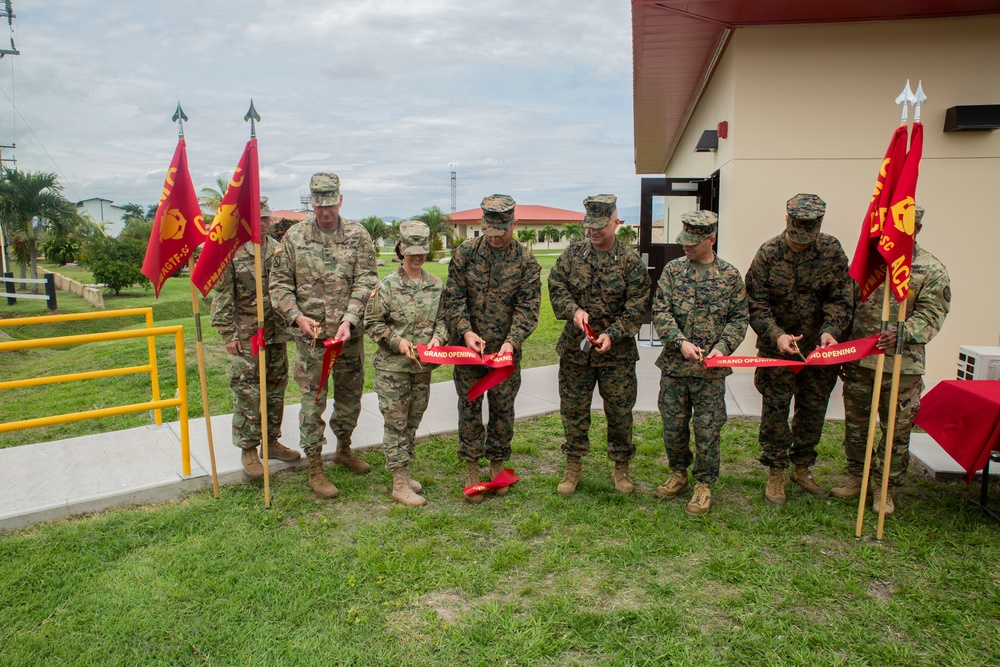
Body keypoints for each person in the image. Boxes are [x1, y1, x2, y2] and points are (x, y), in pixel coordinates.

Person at [833, 206, 950, 515]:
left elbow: (932, 314)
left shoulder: (930, 269)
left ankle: (885, 488)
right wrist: (841, 347)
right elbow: (848, 307)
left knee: (895, 430)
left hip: (902, 365)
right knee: (857, 426)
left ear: (917, 230)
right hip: (861, 363)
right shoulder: (870, 265)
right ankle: (857, 477)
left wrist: (902, 333)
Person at [269, 173, 378, 499]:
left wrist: (349, 319)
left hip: (348, 337)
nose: (325, 211)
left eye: (330, 205)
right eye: (319, 205)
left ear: (340, 200)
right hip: (311, 340)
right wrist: (296, 316)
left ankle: (344, 448)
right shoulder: (294, 237)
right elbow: (279, 285)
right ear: (312, 203)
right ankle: (315, 466)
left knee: (349, 396)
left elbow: (367, 281)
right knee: (311, 403)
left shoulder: (358, 235)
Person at [745, 193, 852, 506]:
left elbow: (841, 298)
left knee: (813, 408)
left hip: (819, 350)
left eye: (807, 240)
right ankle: (776, 470)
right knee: (776, 408)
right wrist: (776, 335)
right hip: (777, 349)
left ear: (818, 228)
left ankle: (801, 467)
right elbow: (755, 303)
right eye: (795, 239)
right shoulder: (768, 253)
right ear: (787, 222)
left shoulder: (832, 251)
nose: (800, 244)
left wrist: (831, 331)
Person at [547, 194, 650, 496]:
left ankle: (621, 466)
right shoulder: (573, 254)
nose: (593, 232)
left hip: (616, 354)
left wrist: (614, 334)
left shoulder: (630, 261)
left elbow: (637, 306)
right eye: (589, 226)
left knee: (619, 411)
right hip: (575, 350)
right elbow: (556, 285)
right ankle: (573, 464)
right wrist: (573, 311)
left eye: (600, 227)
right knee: (573, 409)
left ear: (615, 223)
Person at [443, 194, 541, 503]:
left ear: (515, 224)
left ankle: (497, 462)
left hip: (505, 354)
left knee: (502, 408)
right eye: (490, 232)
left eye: (502, 232)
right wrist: (466, 331)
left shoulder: (526, 261)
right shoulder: (466, 254)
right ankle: (472, 464)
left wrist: (511, 343)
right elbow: (454, 299)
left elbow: (528, 308)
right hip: (469, 352)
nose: (495, 239)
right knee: (470, 406)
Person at [651, 211, 748, 515]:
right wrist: (679, 342)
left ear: (711, 239)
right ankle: (678, 473)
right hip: (675, 368)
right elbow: (660, 311)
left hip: (710, 372)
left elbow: (739, 318)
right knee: (673, 425)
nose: (687, 247)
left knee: (707, 429)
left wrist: (722, 348)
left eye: (694, 242)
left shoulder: (730, 276)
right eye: (685, 241)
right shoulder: (673, 271)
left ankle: (703, 484)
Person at [210, 197, 300, 477]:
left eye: (266, 218)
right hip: (248, 334)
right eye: (257, 217)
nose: (263, 222)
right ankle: (248, 448)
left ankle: (271, 442)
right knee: (248, 391)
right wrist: (228, 332)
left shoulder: (278, 250)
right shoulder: (235, 253)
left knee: (275, 388)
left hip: (276, 333)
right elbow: (224, 294)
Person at [365, 221, 448, 507]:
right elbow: (372, 323)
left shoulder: (435, 284)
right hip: (393, 370)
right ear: (401, 250)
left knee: (413, 419)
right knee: (396, 423)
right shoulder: (386, 286)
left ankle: (404, 468)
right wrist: (397, 342)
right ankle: (399, 482)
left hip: (422, 368)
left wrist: (438, 338)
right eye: (410, 252)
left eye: (421, 252)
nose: (416, 257)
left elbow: (443, 320)